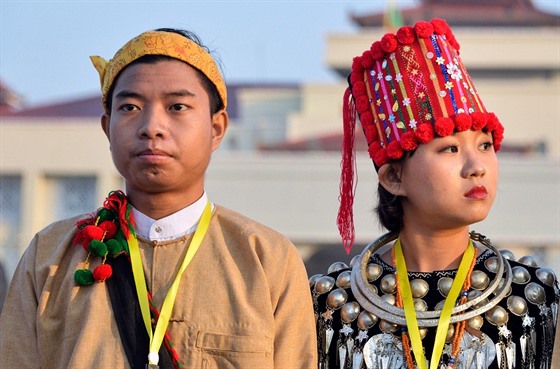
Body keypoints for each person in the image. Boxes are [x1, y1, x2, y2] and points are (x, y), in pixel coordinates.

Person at [0, 28, 317, 369]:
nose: (152, 126)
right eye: (130, 106)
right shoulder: (49, 257)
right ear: (107, 127)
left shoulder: (266, 259)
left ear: (216, 128)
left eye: (177, 106)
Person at [310, 18, 559, 369]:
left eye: (485, 144)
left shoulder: (537, 297)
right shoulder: (332, 305)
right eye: (450, 149)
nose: (477, 166)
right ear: (394, 178)